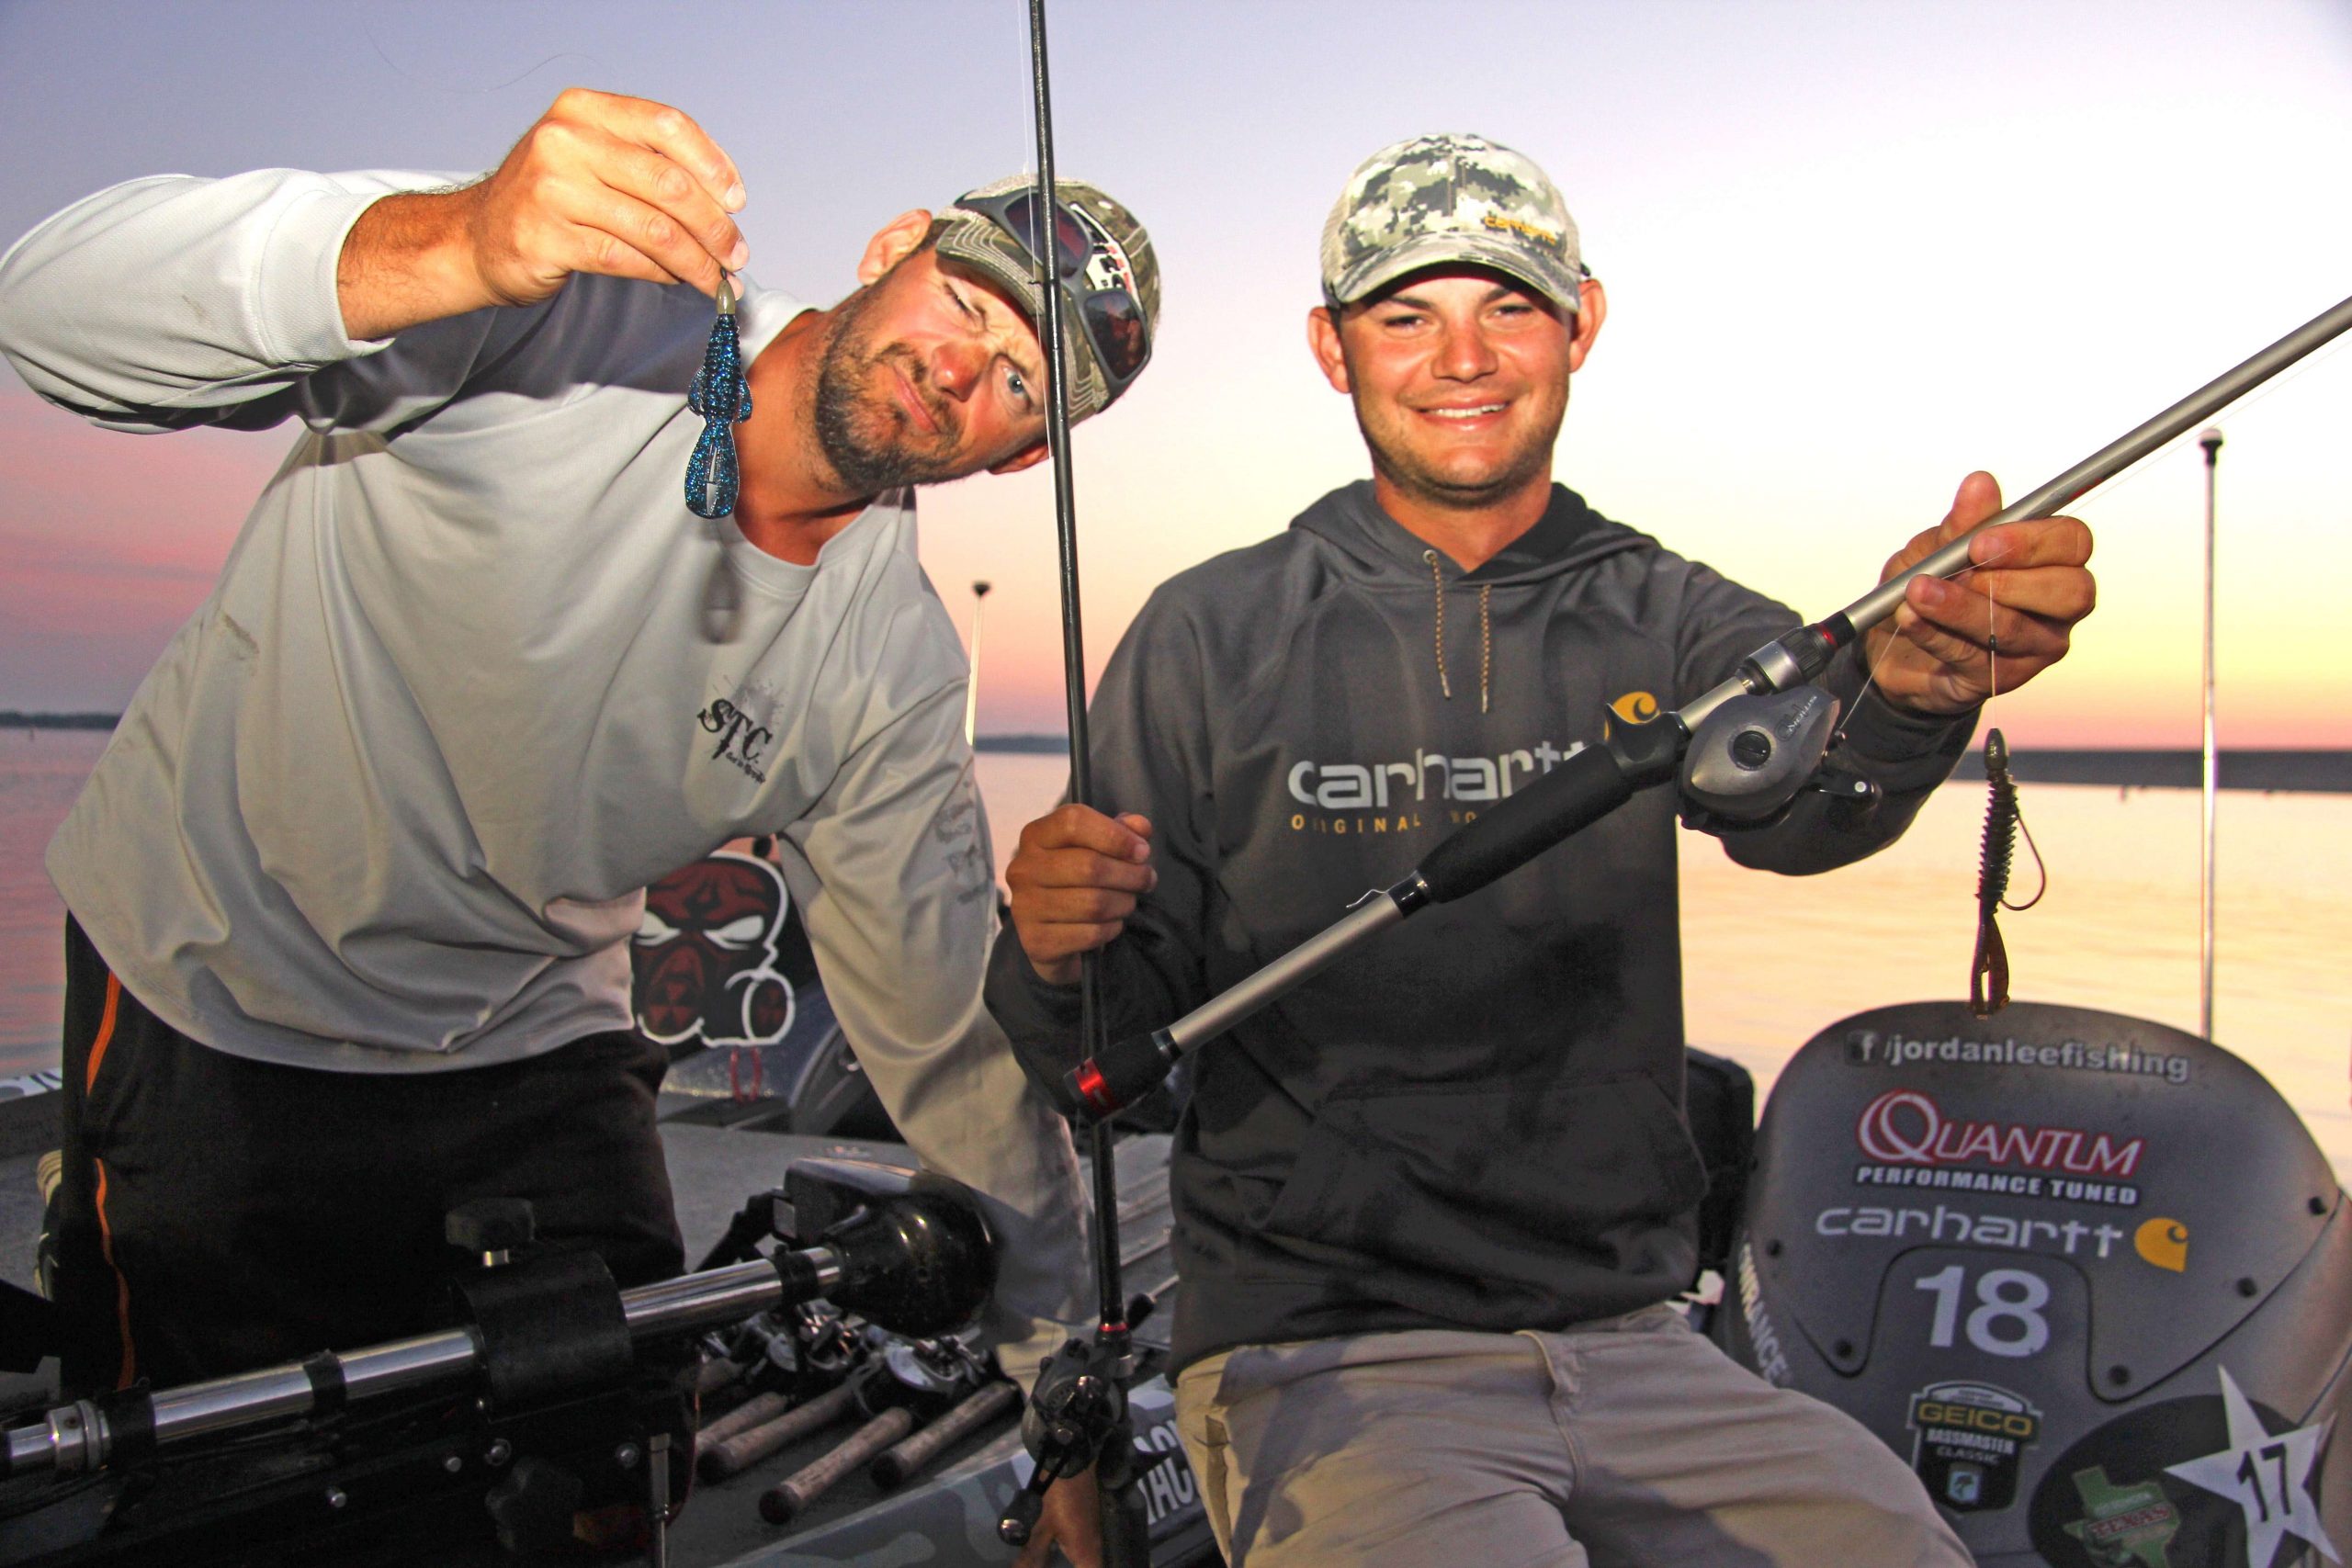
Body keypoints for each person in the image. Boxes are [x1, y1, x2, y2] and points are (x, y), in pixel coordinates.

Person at [0, 84, 1153, 1495]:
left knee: (609, 1458)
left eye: (1022, 384)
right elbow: (45, 312)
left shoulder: (890, 670)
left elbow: (945, 1045)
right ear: (893, 245)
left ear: (1021, 454)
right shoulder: (572, 312)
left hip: (535, 1030)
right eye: (966, 301)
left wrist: (1058, 1383)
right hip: (217, 980)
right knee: (216, 1481)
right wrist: (456, 242)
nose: (961, 369)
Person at [986, 132, 2096, 1565]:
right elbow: (1101, 1059)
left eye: (1509, 306)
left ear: (1583, 324)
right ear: (1331, 349)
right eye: (1406, 315)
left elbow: (1812, 808)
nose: (1464, 358)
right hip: (1325, 1353)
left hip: (1643, 1341)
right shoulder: (1207, 634)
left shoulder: (1671, 611)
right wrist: (1048, 944)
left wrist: (1914, 693)